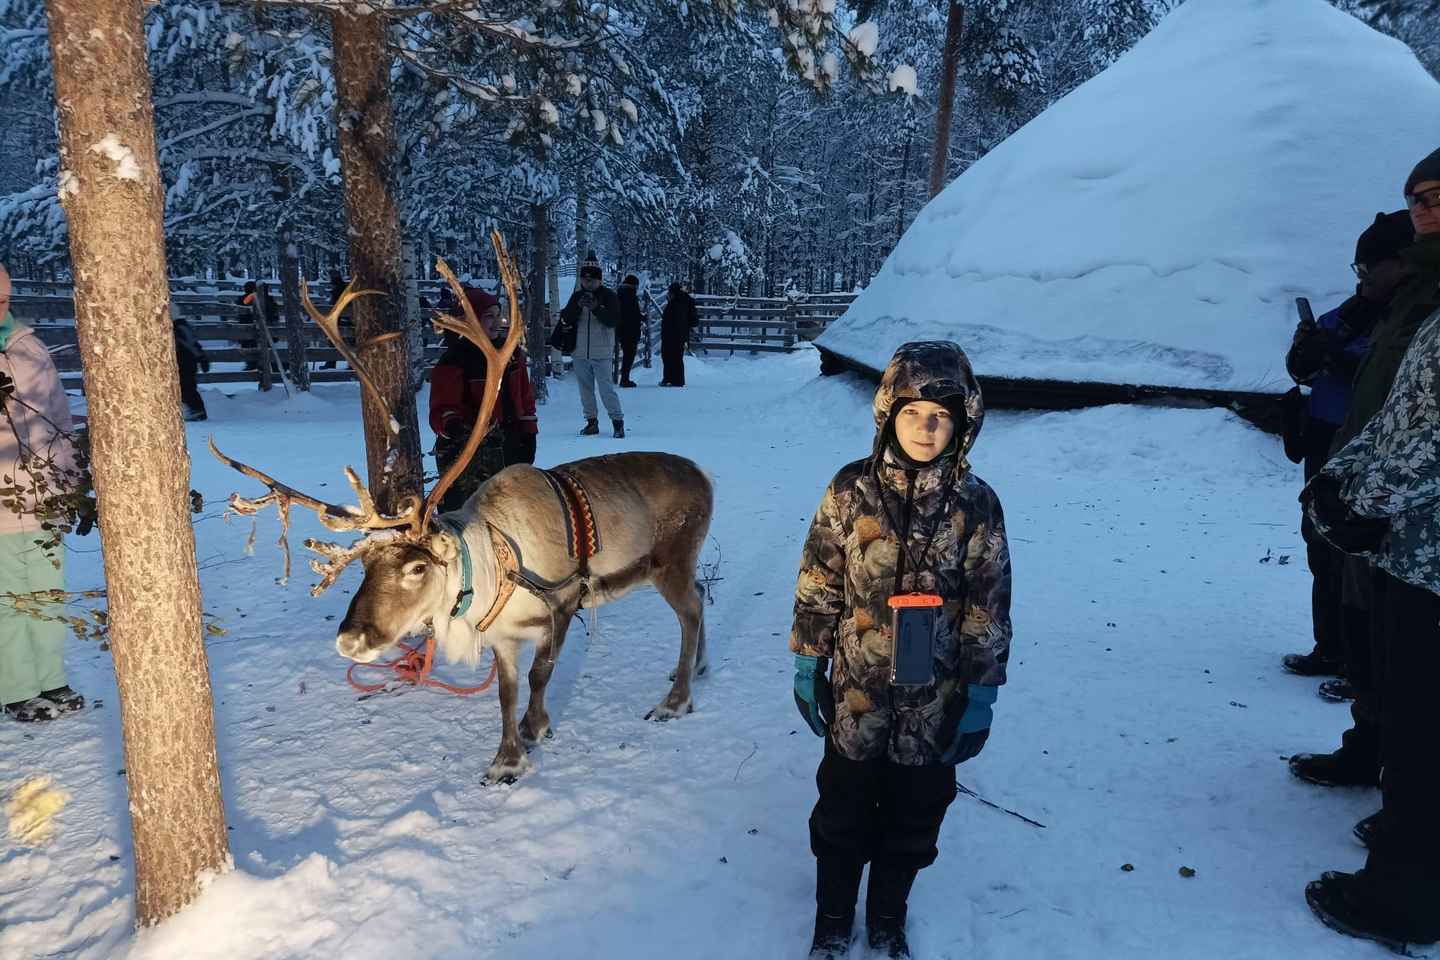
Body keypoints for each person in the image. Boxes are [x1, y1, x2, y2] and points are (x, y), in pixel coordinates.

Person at [790, 341, 1013, 959]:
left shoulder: (976, 504)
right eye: (913, 412)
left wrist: (982, 692)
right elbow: (819, 578)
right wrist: (810, 661)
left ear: (965, 421)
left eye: (942, 414)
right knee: (842, 811)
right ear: (888, 413)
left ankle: (889, 915)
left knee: (916, 817)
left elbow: (988, 601)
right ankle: (833, 918)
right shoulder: (849, 490)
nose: (926, 426)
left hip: (936, 699)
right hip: (857, 692)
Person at [1289, 149, 1440, 793]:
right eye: (1418, 199)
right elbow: (1304, 367)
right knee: (1352, 602)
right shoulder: (1372, 310)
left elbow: (1416, 415)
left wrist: (1368, 494)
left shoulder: (1422, 304)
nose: (1362, 276)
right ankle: (1367, 742)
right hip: (1352, 470)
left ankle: (1401, 793)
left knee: (1396, 645)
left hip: (1401, 503)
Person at [1303, 296, 1440, 952]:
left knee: (1422, 728)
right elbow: (1396, 417)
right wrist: (1340, 480)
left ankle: (1402, 898)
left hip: (1429, 564)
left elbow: (1425, 437)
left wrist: (1359, 501)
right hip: (1415, 551)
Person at [1281, 211, 1413, 680]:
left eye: (1368, 268)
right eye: (1356, 270)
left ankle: (1364, 668)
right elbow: (1305, 365)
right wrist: (1306, 352)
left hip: (1376, 453)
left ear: (1401, 264)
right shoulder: (1354, 311)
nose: (1361, 279)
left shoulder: (1415, 315)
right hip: (1326, 444)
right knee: (1322, 546)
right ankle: (1332, 648)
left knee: (1365, 560)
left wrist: (1337, 359)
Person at [0, 262, 86, 722]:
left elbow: (59, 418)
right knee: (9, 602)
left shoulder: (28, 348)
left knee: (49, 596)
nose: (0, 309)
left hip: (43, 502)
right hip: (0, 509)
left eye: (5, 299)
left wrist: (67, 486)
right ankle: (17, 689)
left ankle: (52, 679)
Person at [427, 287, 538, 513]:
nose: (497, 322)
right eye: (489, 317)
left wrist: (528, 432)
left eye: (498, 315)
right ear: (472, 320)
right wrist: (455, 429)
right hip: (468, 451)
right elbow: (442, 408)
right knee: (465, 514)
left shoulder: (511, 354)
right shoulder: (456, 359)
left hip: (509, 444)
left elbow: (525, 397)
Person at [558, 251, 624, 437]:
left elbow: (613, 320)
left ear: (599, 280)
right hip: (580, 350)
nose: (588, 283)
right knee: (585, 390)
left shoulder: (609, 296)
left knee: (606, 390)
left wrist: (596, 307)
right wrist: (577, 306)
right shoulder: (576, 296)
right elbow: (566, 319)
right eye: (585, 279)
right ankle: (591, 422)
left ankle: (617, 422)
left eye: (592, 280)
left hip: (602, 350)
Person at [660, 280, 698, 387]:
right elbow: (694, 320)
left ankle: (668, 379)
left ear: (673, 292)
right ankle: (678, 380)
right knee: (677, 357)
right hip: (682, 334)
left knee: (667, 356)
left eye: (669, 292)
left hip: (670, 334)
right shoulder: (687, 300)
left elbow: (669, 319)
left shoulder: (674, 302)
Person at [173, 314, 211, 421]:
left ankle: (198, 412)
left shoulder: (179, 327)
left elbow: (190, 344)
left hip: (186, 361)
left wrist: (201, 357)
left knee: (187, 387)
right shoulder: (180, 326)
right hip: (184, 360)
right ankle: (195, 411)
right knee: (186, 387)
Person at [616, 274, 645, 388]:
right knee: (629, 355)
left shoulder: (621, 293)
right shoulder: (630, 295)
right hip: (630, 330)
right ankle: (625, 379)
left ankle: (624, 378)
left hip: (622, 329)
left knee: (627, 354)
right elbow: (632, 313)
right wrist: (641, 317)